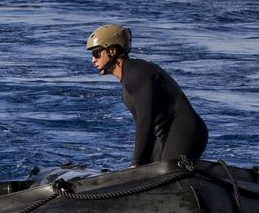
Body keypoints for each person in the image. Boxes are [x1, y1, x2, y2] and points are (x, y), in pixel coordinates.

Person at [87, 24, 208, 166]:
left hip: (184, 129)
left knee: (163, 176)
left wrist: (136, 162)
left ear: (112, 51)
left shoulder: (136, 72)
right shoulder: (127, 79)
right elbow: (142, 124)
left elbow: (145, 121)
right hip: (163, 134)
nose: (93, 60)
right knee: (146, 174)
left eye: (96, 53)